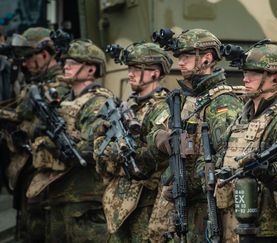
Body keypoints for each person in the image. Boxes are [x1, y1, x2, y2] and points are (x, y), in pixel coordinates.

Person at [145, 28, 245, 242]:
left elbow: (226, 158)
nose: (180, 62)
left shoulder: (223, 103)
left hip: (205, 208)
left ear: (207, 58)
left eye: (187, 56)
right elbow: (153, 134)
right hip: (176, 204)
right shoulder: (181, 99)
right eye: (179, 57)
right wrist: (159, 139)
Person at [25, 39, 112, 242]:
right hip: (59, 193)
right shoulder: (66, 100)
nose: (66, 66)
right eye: (65, 62)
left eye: (73, 63)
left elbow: (92, 147)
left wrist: (54, 146)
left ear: (90, 70)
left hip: (83, 195)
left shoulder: (97, 102)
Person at [215, 42, 277, 242]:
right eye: (245, 72)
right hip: (234, 226)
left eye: (254, 73)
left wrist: (264, 170)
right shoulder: (241, 118)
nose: (246, 78)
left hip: (267, 230)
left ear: (276, 79)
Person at [93, 42, 173, 242]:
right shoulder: (129, 105)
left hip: (145, 203)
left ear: (155, 72)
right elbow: (98, 151)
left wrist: (114, 154)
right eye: (130, 68)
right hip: (117, 202)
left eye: (137, 69)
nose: (130, 73)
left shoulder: (163, 108)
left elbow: (152, 160)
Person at [5, 27, 70, 243]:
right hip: (30, 168)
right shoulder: (38, 83)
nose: (24, 64)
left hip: (47, 173)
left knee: (38, 230)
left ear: (43, 55)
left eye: (28, 58)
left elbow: (27, 116)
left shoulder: (59, 85)